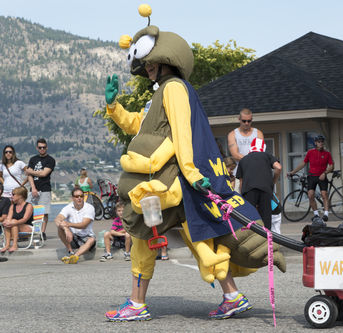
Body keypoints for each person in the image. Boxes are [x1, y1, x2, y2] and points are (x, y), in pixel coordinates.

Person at [102, 6, 284, 322]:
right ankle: (232, 296)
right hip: (172, 180)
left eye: (150, 63)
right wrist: (113, 106)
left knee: (144, 237)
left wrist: (191, 171)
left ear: (164, 61)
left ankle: (136, 303)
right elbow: (139, 125)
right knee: (197, 234)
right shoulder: (159, 94)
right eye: (144, 64)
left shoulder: (173, 89)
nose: (146, 68)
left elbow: (183, 132)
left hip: (169, 180)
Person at [236, 138, 282, 229]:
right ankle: (266, 239)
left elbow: (241, 182)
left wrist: (242, 195)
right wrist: (273, 182)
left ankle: (251, 238)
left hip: (248, 190)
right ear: (263, 148)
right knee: (266, 217)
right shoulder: (266, 155)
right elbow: (278, 167)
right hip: (265, 189)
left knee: (249, 218)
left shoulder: (243, 160)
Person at [288, 135, 334, 223]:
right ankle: (316, 214)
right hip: (312, 176)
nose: (321, 143)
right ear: (315, 143)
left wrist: (325, 173)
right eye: (319, 142)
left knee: (324, 194)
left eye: (322, 142)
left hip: (322, 176)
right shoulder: (310, 152)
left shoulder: (327, 153)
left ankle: (326, 214)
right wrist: (292, 172)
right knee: (310, 195)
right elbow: (303, 163)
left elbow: (331, 166)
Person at [54, 187, 96, 264]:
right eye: (76, 196)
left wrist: (68, 224)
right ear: (72, 198)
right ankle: (71, 252)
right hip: (73, 238)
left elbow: (84, 225)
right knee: (60, 228)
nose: (79, 198)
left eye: (81, 196)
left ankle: (75, 256)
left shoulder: (89, 208)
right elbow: (57, 219)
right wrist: (66, 229)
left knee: (92, 240)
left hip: (86, 237)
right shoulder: (68, 207)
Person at [227, 108, 264, 191]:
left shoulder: (258, 133)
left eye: (249, 121)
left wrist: (252, 162)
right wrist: (251, 160)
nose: (246, 123)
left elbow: (260, 153)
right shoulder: (233, 134)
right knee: (239, 200)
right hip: (239, 173)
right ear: (239, 119)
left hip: (255, 173)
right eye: (244, 121)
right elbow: (235, 154)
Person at [25, 138, 56, 238]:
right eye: (40, 147)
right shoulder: (32, 159)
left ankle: (42, 232)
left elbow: (44, 173)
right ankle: (32, 230)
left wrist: (31, 171)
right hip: (33, 189)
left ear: (46, 147)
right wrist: (33, 188)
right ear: (37, 148)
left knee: (44, 212)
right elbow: (29, 176)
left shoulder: (50, 160)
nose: (42, 149)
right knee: (29, 211)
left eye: (43, 147)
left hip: (45, 189)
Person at [0, 187, 33, 253]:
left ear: (20, 195)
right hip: (15, 226)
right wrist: (6, 222)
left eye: (13, 194)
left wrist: (13, 222)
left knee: (13, 222)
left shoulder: (28, 206)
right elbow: (9, 218)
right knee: (9, 223)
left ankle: (14, 245)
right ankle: (7, 245)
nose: (11, 196)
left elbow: (24, 219)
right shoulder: (13, 206)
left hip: (27, 227)